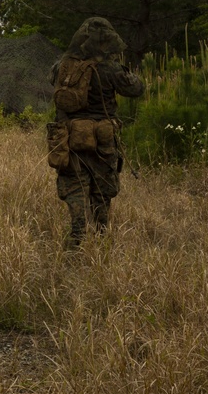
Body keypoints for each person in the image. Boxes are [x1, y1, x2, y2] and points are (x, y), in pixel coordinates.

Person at [49, 17, 144, 248]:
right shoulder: (109, 68)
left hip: (69, 138)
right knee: (102, 189)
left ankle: (78, 236)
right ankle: (101, 236)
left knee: (74, 186)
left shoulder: (63, 65)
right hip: (102, 140)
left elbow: (53, 82)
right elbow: (136, 88)